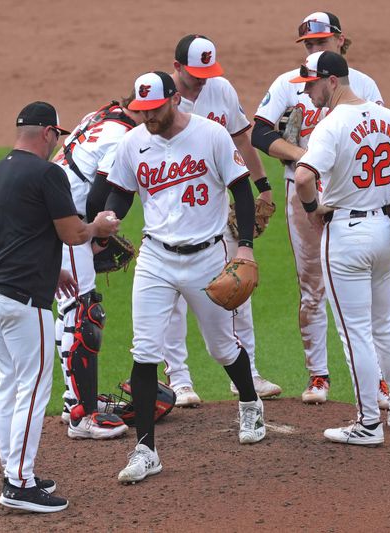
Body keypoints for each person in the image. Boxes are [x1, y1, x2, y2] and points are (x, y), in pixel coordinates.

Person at [101, 71, 267, 484]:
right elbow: (120, 192)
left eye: (154, 109)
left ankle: (249, 402)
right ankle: (145, 450)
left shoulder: (211, 135)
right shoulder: (133, 142)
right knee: (144, 351)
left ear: (174, 100)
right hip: (155, 257)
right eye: (141, 110)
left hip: (208, 257)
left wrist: (244, 245)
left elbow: (242, 192)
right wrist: (109, 218)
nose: (147, 117)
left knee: (222, 348)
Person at [0, 101, 120, 511]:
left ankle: (14, 469)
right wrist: (100, 227)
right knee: (34, 388)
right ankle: (18, 485)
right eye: (58, 134)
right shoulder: (48, 173)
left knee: (9, 383)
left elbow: (13, 231)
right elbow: (74, 234)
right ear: (49, 133)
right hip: (21, 299)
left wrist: (53, 272)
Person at [292, 51, 390, 445]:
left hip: (346, 237)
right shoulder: (389, 117)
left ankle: (369, 423)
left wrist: (313, 210)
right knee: (383, 323)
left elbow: (303, 176)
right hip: (383, 232)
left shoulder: (331, 125)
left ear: (332, 80)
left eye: (311, 84)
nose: (308, 91)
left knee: (354, 332)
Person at [251, 11, 390, 407]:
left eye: (320, 42)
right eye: (308, 44)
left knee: (361, 290)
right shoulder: (288, 83)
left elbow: (379, 133)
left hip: (352, 195)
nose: (314, 49)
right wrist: (303, 155)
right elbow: (261, 131)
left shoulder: (363, 84)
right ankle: (319, 376)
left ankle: (378, 381)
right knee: (311, 284)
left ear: (340, 41)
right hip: (302, 192)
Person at [162, 34, 281, 407]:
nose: (201, 80)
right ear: (177, 67)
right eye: (194, 73)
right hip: (171, 214)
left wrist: (262, 187)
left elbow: (243, 141)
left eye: (206, 73)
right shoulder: (161, 100)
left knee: (237, 287)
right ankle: (179, 381)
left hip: (216, 211)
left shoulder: (221, 89)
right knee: (173, 299)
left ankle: (248, 374)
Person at [50, 95, 144, 440]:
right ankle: (81, 415)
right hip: (70, 220)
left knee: (70, 309)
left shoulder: (101, 115)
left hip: (54, 213)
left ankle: (72, 401)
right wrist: (97, 239)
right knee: (84, 314)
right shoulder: (124, 138)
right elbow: (96, 198)